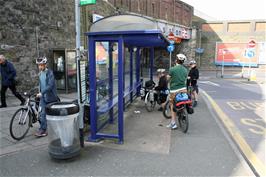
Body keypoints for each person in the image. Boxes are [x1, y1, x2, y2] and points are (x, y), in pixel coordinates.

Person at [35, 56, 58, 137]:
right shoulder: (40, 73)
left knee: (52, 113)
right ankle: (43, 129)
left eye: (41, 65)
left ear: (45, 64)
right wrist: (38, 92)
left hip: (51, 97)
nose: (40, 67)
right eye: (39, 65)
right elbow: (41, 85)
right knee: (42, 113)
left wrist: (42, 92)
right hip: (43, 97)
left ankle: (45, 129)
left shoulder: (50, 73)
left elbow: (50, 85)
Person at [167, 54, 188, 129]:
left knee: (172, 105)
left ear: (176, 60)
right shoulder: (185, 70)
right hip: (183, 89)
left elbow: (168, 79)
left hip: (174, 90)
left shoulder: (172, 69)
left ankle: (173, 123)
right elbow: (185, 79)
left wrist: (168, 81)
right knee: (183, 101)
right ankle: (183, 111)